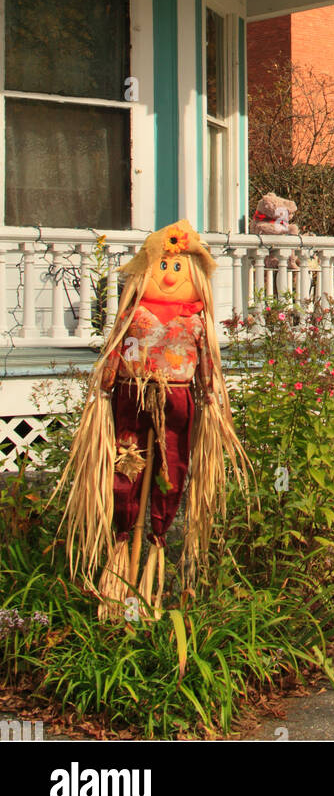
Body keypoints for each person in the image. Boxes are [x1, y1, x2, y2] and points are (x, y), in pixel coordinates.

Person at [56, 220, 248, 619]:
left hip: (177, 400)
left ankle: (155, 557)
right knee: (126, 465)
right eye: (162, 266)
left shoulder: (197, 319)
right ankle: (121, 550)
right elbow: (115, 352)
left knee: (171, 467)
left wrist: (211, 395)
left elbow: (207, 365)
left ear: (194, 274)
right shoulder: (134, 314)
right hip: (131, 397)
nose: (168, 275)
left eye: (178, 268)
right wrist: (104, 388)